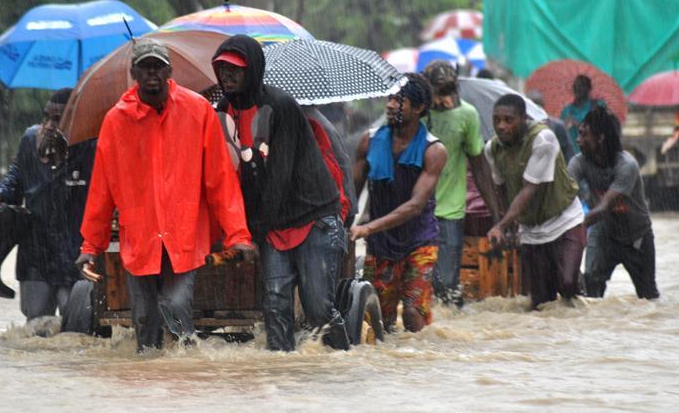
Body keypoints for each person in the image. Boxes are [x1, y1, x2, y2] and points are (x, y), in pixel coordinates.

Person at [76, 39, 255, 351]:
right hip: (140, 239)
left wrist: (237, 235)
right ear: (134, 72)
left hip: (185, 236)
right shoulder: (116, 121)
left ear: (170, 70)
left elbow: (220, 181)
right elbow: (101, 191)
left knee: (174, 303)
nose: (152, 73)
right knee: (145, 326)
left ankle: (187, 369)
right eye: (145, 67)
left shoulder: (196, 110)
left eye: (158, 66)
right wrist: (90, 246)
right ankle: (150, 390)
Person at [212, 34, 350, 352]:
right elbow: (226, 171)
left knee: (318, 310)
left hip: (312, 216)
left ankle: (345, 364)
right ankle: (279, 382)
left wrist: (252, 231)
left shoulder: (280, 106)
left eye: (235, 69)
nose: (227, 76)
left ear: (253, 70)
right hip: (272, 223)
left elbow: (279, 176)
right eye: (222, 69)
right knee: (275, 308)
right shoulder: (222, 111)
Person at [0, 88, 96, 328]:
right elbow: (16, 176)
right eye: (45, 117)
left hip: (75, 252)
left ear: (74, 121)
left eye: (57, 119)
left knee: (75, 324)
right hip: (36, 249)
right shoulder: (30, 139)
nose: (48, 125)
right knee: (35, 320)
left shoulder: (90, 147)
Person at [351, 74, 447, 332]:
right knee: (379, 320)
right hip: (381, 243)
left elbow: (416, 205)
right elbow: (351, 194)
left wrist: (368, 228)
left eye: (399, 100)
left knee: (414, 312)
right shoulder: (368, 141)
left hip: (420, 240)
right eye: (390, 98)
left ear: (419, 108)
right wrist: (345, 224)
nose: (391, 105)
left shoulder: (433, 150)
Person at [485, 93, 585, 309]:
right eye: (496, 120)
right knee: (541, 304)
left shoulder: (543, 139)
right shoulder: (492, 149)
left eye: (508, 120)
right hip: (531, 230)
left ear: (523, 119)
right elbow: (501, 189)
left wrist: (501, 226)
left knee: (567, 285)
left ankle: (578, 287)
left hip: (564, 220)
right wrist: (508, 226)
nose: (501, 126)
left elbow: (528, 189)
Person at [422, 61, 499, 307]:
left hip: (450, 211)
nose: (446, 99)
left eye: (450, 91)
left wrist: (496, 213)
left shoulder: (467, 114)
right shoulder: (416, 114)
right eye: (440, 93)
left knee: (446, 283)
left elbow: (479, 165)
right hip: (416, 209)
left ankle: (453, 328)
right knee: (420, 285)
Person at [568, 106, 659, 299]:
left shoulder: (626, 165)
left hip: (637, 237)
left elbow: (604, 207)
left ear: (600, 138)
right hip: (604, 233)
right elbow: (565, 195)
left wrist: (574, 227)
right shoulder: (579, 162)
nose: (578, 140)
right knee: (591, 289)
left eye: (584, 135)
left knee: (648, 296)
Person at [560, 74, 605, 155]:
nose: (578, 88)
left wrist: (578, 124)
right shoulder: (567, 110)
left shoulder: (596, 106)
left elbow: (601, 129)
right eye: (575, 85)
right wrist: (564, 126)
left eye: (581, 85)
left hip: (592, 154)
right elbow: (562, 133)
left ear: (589, 88)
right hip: (571, 155)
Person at [528, 90, 576, 163]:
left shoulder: (557, 126)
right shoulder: (523, 128)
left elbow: (568, 153)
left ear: (543, 106)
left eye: (538, 106)